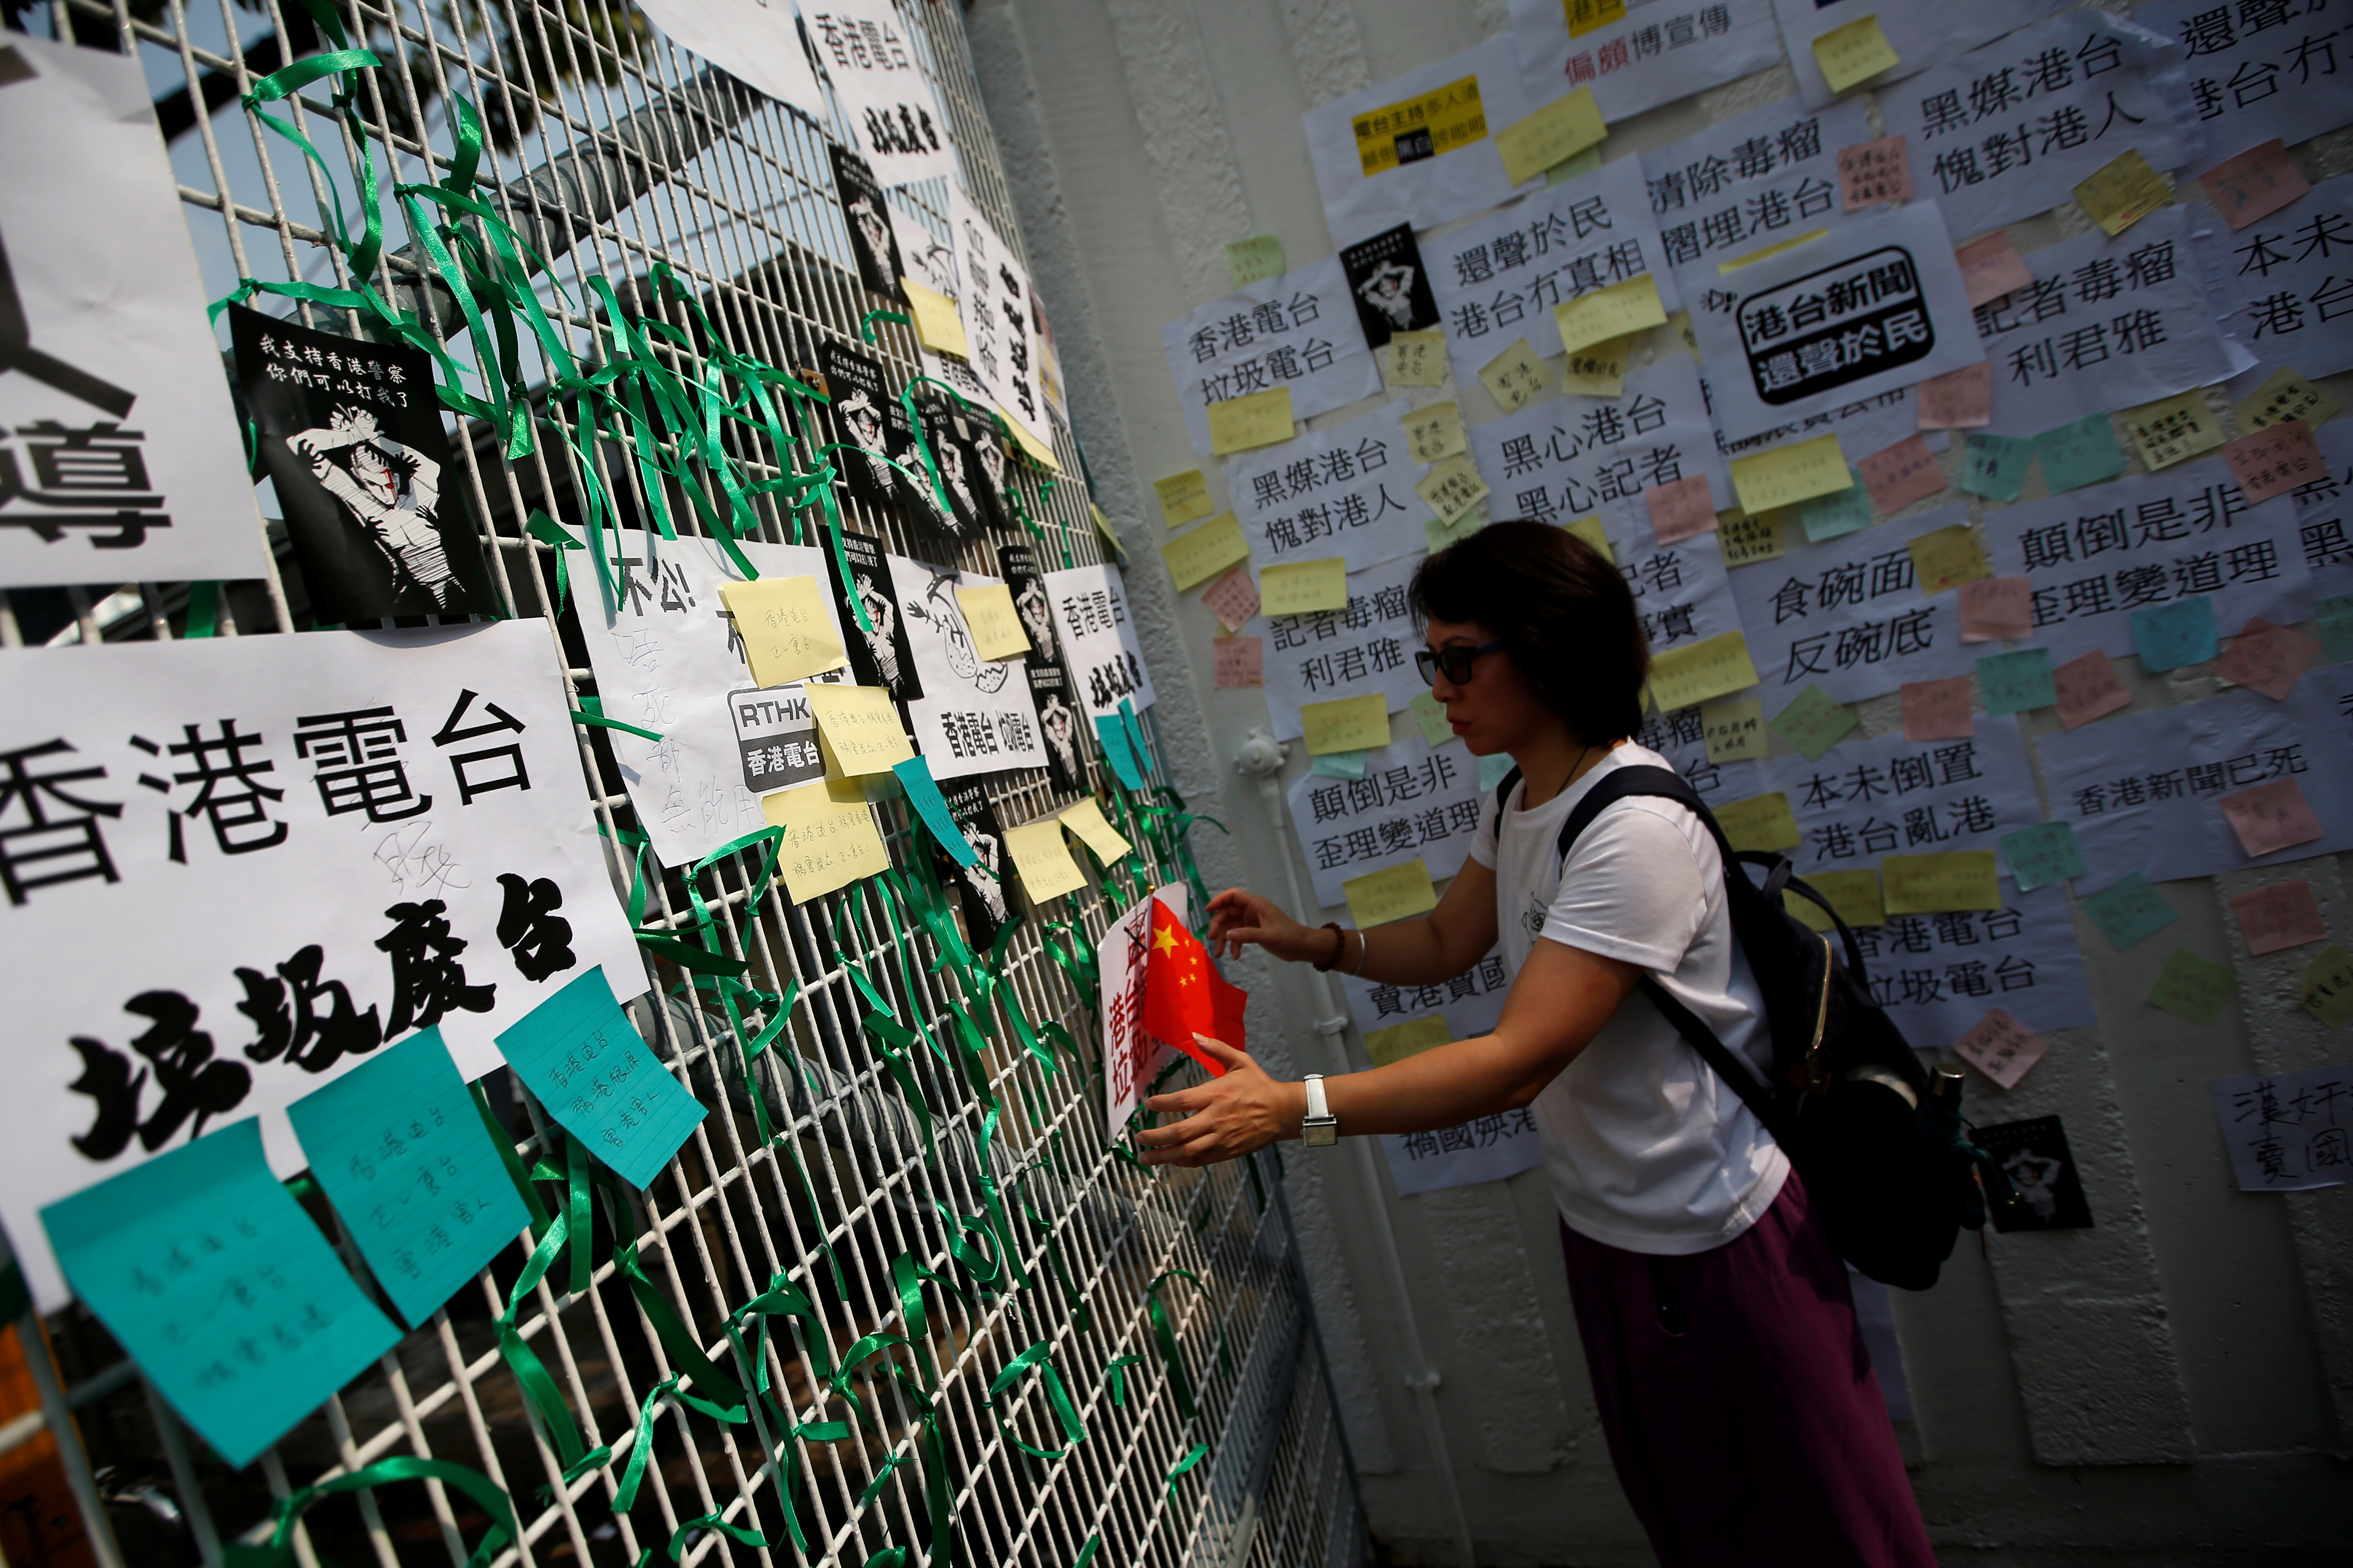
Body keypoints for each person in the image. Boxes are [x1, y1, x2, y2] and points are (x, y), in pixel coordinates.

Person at [1138, 521, 1935, 1568]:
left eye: (1461, 659)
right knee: (1700, 1524)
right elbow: (1443, 939)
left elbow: (1518, 1058)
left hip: (1723, 1240)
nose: (1441, 686)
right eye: (1433, 660)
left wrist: (1295, 1108)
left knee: (1827, 1530)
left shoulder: (1632, 831)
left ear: (1551, 647)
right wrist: (1314, 939)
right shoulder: (1522, 796)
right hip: (1614, 1233)